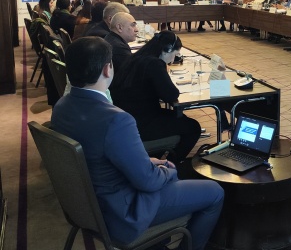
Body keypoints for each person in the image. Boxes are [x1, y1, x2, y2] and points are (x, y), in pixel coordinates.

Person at [51, 37, 223, 249]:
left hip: (85, 206)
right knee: (215, 192)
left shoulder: (61, 107)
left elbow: (101, 156)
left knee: (164, 173)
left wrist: (148, 162)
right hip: (121, 212)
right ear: (107, 69)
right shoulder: (116, 120)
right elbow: (148, 182)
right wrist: (167, 169)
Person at [111, 31, 202, 163]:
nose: (173, 60)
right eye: (175, 54)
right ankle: (171, 165)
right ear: (167, 50)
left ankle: (156, 161)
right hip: (141, 123)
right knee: (193, 127)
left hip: (126, 119)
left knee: (182, 119)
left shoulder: (136, 58)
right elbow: (171, 94)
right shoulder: (154, 63)